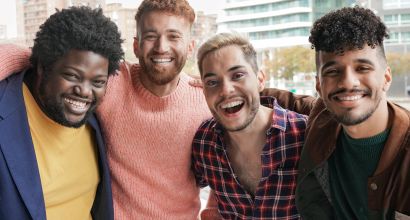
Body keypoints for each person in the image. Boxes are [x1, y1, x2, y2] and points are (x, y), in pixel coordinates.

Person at [0, 1, 314, 218]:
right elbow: (62, 61)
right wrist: (28, 58)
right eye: (151, 36)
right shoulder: (110, 82)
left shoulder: (206, 100)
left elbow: (249, 106)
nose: (162, 47)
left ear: (190, 47)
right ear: (136, 45)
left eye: (173, 37)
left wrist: (322, 108)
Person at [0, 6, 123, 220]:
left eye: (98, 82)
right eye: (72, 76)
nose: (84, 91)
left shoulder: (95, 117)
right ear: (42, 67)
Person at [295, 7, 410, 219]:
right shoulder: (321, 118)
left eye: (362, 68)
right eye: (333, 71)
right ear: (319, 86)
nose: (348, 82)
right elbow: (292, 101)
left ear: (386, 78)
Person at [192, 32, 307, 219]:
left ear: (260, 79)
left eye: (237, 75)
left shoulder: (305, 134)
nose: (226, 90)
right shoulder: (204, 143)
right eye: (212, 82)